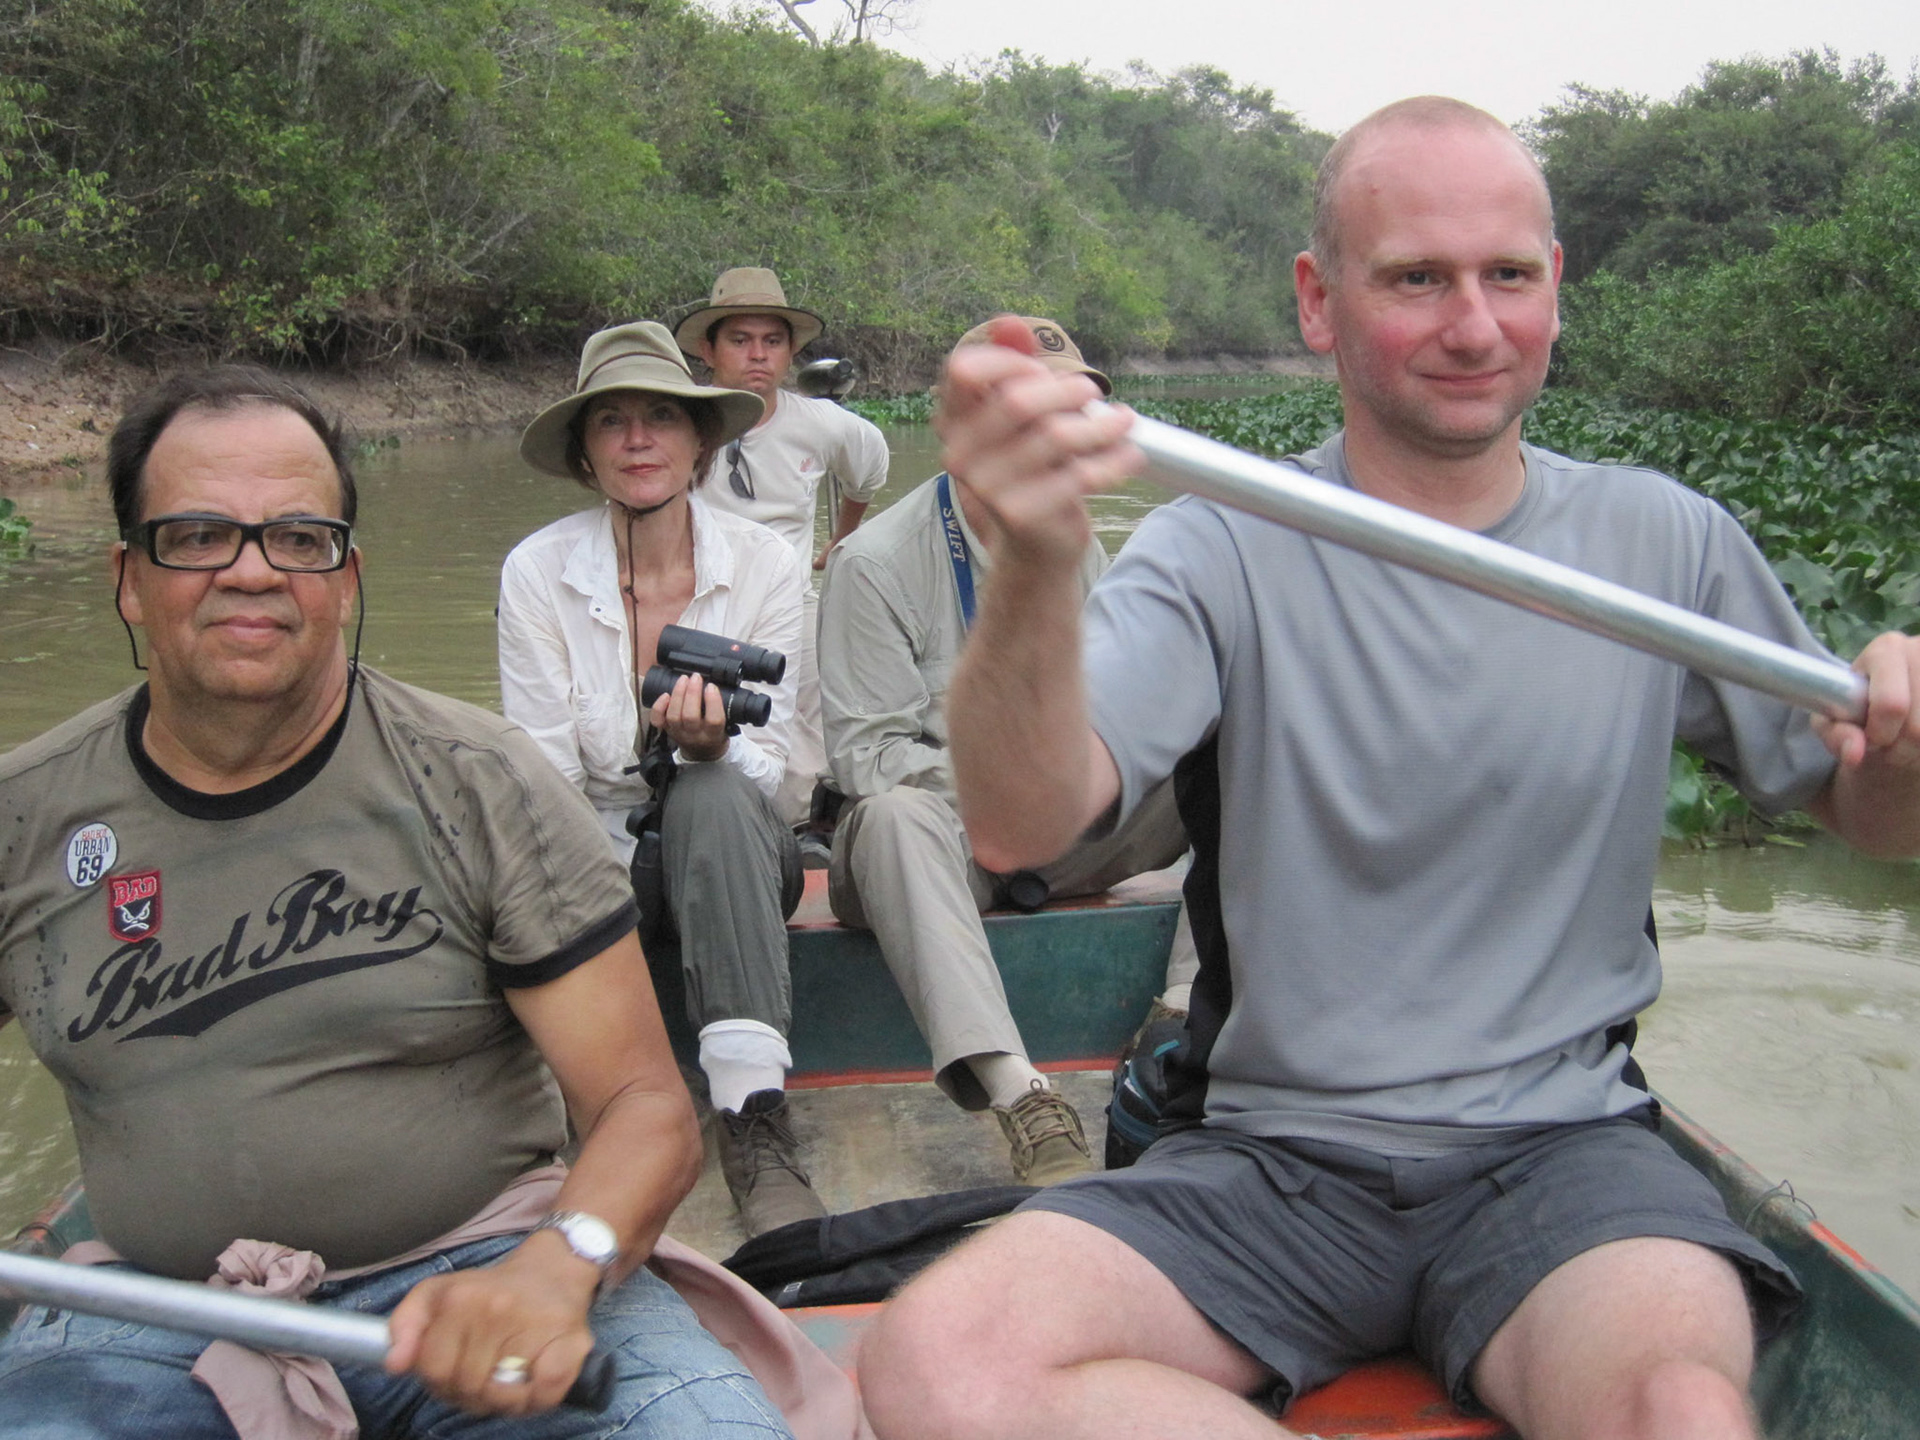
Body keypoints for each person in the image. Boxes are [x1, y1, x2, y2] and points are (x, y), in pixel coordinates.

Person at [857, 98, 1920, 1440]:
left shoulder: (1667, 540)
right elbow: (1017, 827)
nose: (1473, 326)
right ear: (1319, 301)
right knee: (938, 1367)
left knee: (1681, 1413)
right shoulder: (1217, 547)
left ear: (1554, 289)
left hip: (1565, 1157)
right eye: (1416, 278)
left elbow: (1873, 821)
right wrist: (1037, 560)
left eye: (1508, 277)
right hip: (1270, 1162)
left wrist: (1902, 741)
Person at [0, 366, 794, 1437]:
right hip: (148, 1310)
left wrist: (562, 1267)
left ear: (347, 576)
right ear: (128, 578)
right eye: (195, 537)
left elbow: (647, 1111)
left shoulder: (479, 781)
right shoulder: (26, 818)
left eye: (297, 538)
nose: (250, 573)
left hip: (492, 1273)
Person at [817, 316, 1197, 1185]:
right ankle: (1021, 1096)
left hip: (1065, 828)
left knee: (1229, 739)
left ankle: (1181, 1013)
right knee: (890, 813)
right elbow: (868, 760)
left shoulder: (1080, 545)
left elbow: (1113, 705)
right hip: (941, 849)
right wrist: (1022, 776)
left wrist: (1081, 769)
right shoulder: (873, 563)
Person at [499, 321, 825, 1239]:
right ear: (586, 453)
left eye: (660, 419)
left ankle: (754, 1118)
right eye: (611, 423)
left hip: (739, 848)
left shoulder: (763, 563)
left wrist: (708, 750)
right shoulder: (538, 573)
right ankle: (583, 1111)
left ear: (699, 444)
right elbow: (545, 774)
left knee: (715, 790)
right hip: (597, 854)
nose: (639, 440)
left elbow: (778, 763)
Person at [677, 266, 892, 831]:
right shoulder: (678, 420)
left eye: (773, 342)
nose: (758, 356)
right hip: (700, 601)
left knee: (801, 734)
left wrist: (840, 540)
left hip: (790, 602)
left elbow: (867, 475)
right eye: (740, 341)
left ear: (791, 351)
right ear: (708, 348)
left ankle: (790, 838)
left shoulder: (823, 424)